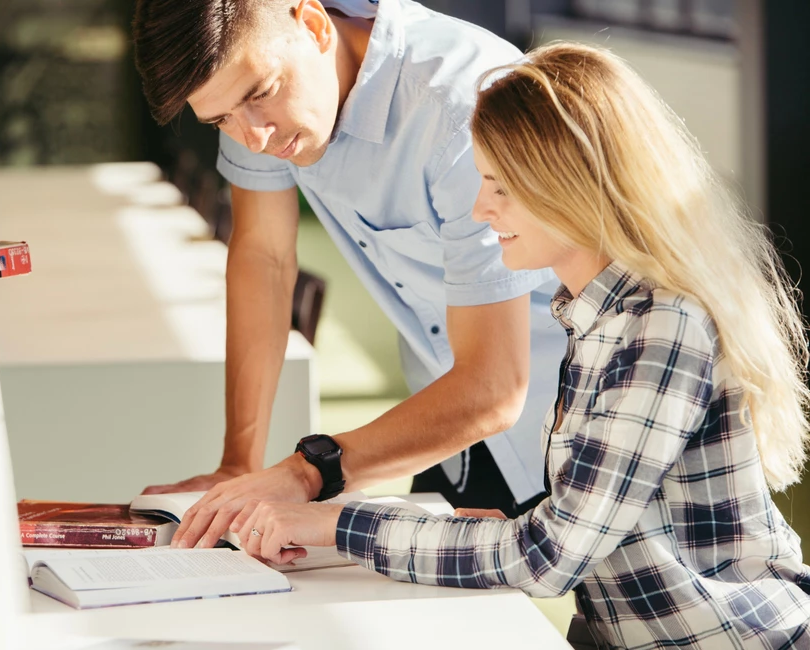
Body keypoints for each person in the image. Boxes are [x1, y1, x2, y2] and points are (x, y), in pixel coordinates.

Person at [231, 42, 810, 648]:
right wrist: (510, 530)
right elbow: (580, 530)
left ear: (574, 186)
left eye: (501, 187)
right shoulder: (592, 317)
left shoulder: (660, 328)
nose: (482, 209)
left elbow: (549, 559)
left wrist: (337, 523)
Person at [132, 0, 570, 548]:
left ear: (313, 25)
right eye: (220, 120)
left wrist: (307, 471)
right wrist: (236, 464)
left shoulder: (462, 106)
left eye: (257, 96)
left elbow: (496, 387)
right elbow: (263, 258)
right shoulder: (254, 89)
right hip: (448, 419)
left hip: (586, 416)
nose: (255, 138)